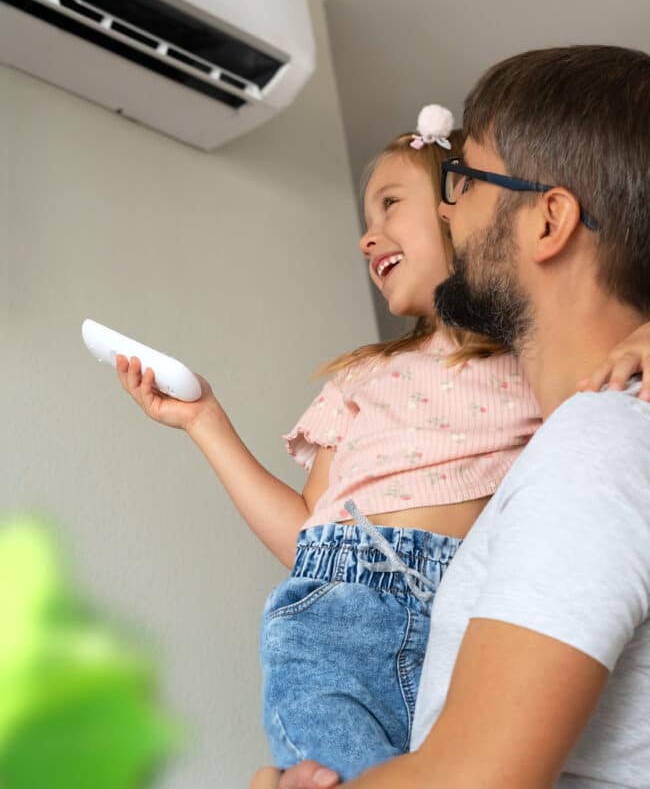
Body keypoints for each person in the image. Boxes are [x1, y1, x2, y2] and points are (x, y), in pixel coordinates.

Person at [250, 43, 650, 788]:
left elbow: (472, 778)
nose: (444, 207)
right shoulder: (584, 446)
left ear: (548, 221)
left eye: (462, 181)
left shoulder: (597, 444)